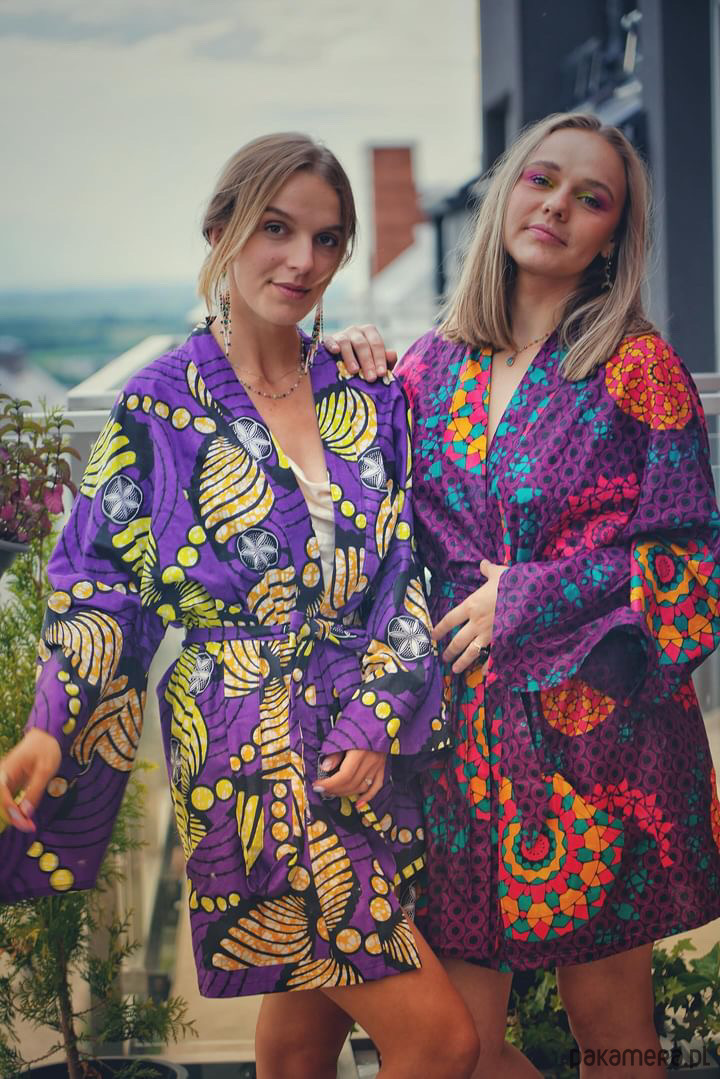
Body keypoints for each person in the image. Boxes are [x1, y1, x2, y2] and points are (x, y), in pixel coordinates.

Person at [0, 134, 480, 1079]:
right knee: (441, 1041)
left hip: (363, 749)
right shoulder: (159, 405)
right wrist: (52, 725)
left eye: (327, 238)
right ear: (220, 230)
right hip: (247, 756)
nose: (302, 260)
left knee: (302, 1039)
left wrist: (377, 719)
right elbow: (101, 583)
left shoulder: (365, 394)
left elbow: (402, 576)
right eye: (275, 228)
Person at [326, 112, 720, 1077]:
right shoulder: (428, 366)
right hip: (459, 745)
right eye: (542, 180)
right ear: (507, 193)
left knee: (612, 1033)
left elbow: (692, 559)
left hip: (602, 744)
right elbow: (365, 514)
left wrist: (531, 596)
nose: (557, 207)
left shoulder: (638, 367)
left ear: (613, 237)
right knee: (461, 1045)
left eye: (592, 198)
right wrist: (336, 364)